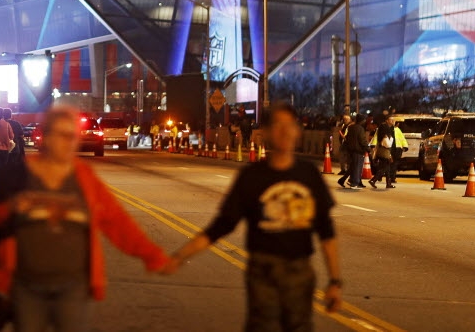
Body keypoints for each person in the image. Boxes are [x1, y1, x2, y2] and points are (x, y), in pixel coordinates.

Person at [0, 107, 171, 332]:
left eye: (72, 136)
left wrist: (152, 255)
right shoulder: (17, 177)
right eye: (61, 135)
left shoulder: (85, 179)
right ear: (46, 137)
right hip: (26, 284)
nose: (69, 142)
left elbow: (117, 221)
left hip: (73, 286)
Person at [165, 104, 342, 330]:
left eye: (290, 125)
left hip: (300, 270)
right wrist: (180, 256)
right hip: (263, 272)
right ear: (265, 132)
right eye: (278, 125)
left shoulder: (308, 174)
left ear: (298, 131)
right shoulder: (252, 176)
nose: (285, 131)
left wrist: (335, 281)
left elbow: (326, 230)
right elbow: (223, 225)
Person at [337, 115, 368, 189]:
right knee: (357, 167)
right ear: (361, 121)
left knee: (353, 166)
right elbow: (362, 140)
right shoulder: (360, 129)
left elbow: (347, 138)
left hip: (350, 150)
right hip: (358, 150)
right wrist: (367, 148)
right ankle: (354, 182)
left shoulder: (350, 127)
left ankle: (345, 180)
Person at [369, 115, 395, 190]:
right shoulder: (385, 127)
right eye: (391, 120)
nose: (393, 121)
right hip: (384, 150)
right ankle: (373, 180)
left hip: (383, 150)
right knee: (385, 167)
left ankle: (388, 183)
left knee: (387, 168)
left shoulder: (387, 127)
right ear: (387, 120)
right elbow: (386, 142)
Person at [388, 118, 408, 187]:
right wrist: (405, 146)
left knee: (392, 164)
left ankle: (391, 178)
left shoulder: (396, 130)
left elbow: (402, 139)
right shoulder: (394, 130)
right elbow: (403, 139)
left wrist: (405, 146)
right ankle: (390, 177)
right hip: (394, 149)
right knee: (392, 164)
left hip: (395, 149)